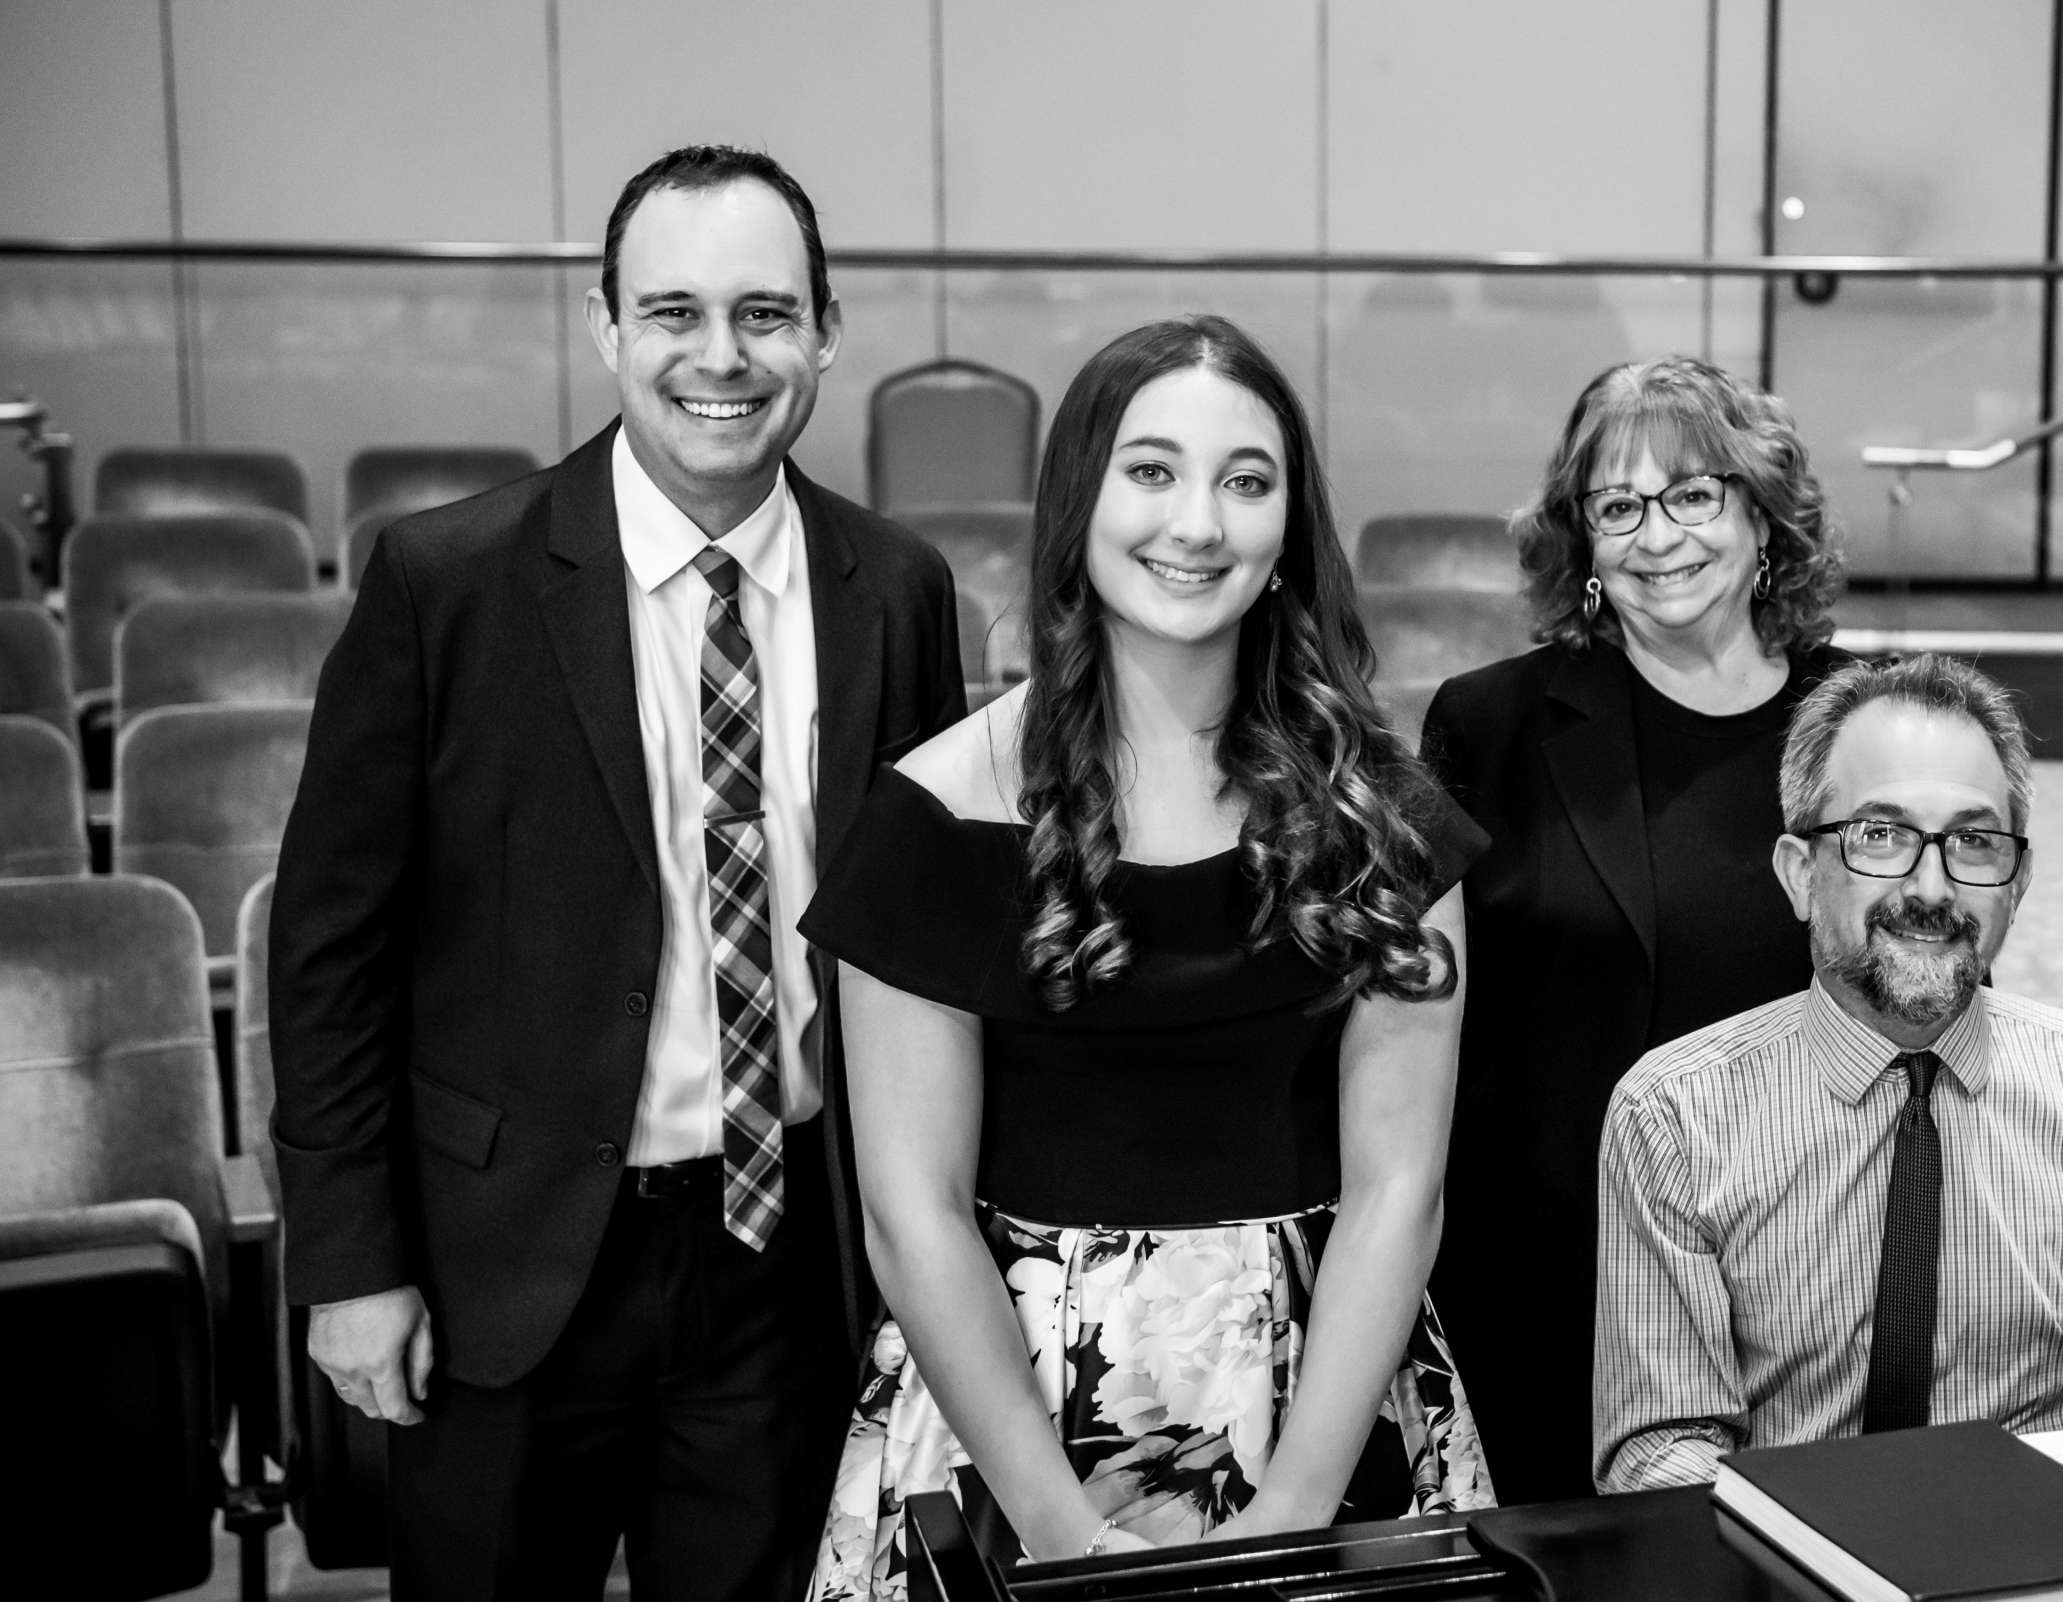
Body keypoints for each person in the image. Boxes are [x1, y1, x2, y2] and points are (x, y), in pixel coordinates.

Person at [270, 145, 966, 1599]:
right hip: (503, 1270)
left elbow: (921, 940)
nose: (723, 357)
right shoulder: (444, 582)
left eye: (767, 314)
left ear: (828, 333)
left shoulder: (895, 588)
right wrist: (347, 1256)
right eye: (674, 313)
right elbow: (332, 946)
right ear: (605, 329)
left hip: (785, 1264)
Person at [802, 314, 1491, 1597]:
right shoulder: (932, 818)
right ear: (1080, 503)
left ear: (1289, 531)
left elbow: (1401, 1191)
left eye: (1246, 482)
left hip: (1322, 1394)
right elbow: (913, 1216)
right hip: (1013, 1415)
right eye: (1153, 470)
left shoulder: (1384, 823)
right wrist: (1061, 1526)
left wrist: (1291, 1505)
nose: (1198, 524)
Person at [1593, 653, 2063, 1493]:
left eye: (1973, 841)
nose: (1932, 887)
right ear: (1798, 874)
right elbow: (1660, 1452)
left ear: (2019, 880)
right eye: (1881, 835)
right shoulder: (1671, 1116)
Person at [1418, 354, 1847, 1503]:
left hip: (1809, 1265)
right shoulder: (1488, 725)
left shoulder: (1871, 721)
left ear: (1764, 517)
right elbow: (1421, 1029)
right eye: (1618, 507)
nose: (1658, 535)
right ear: (1585, 547)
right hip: (1553, 1264)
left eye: (1695, 494)